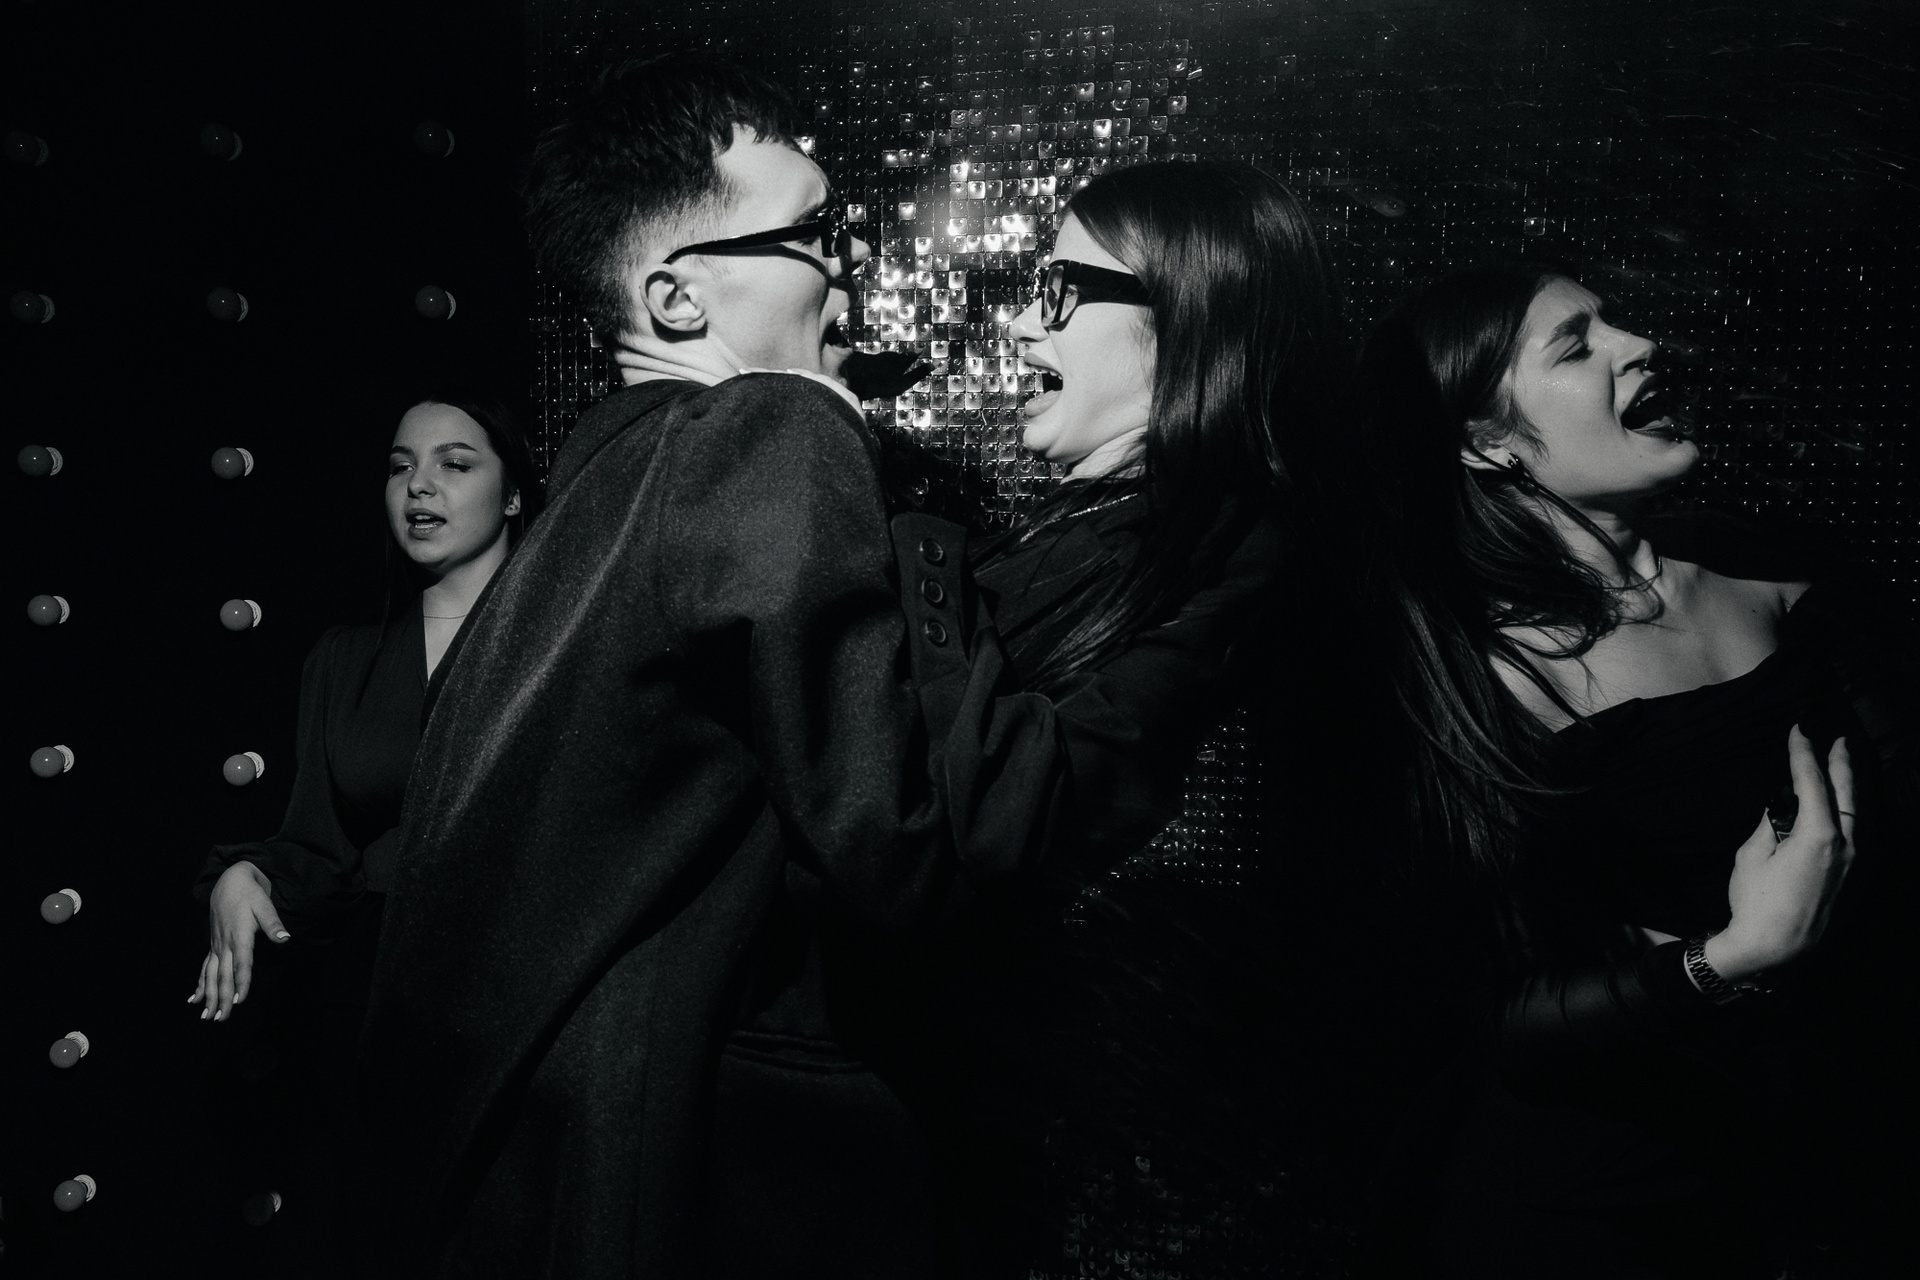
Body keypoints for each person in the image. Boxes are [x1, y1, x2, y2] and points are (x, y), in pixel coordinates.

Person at [357, 55, 1068, 1280]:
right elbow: (905, 849)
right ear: (680, 299)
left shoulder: (597, 484)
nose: (850, 264)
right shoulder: (771, 425)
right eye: (816, 236)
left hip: (522, 1178)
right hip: (698, 1172)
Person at [1353, 261, 1916, 1277]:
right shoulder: (1484, 682)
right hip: (1599, 1211)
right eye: (1578, 347)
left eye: (1614, 321)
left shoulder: (1767, 565)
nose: (1640, 344)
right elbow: (1500, 1014)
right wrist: (1734, 955)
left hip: (1814, 1174)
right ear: (1486, 442)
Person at [188, 389, 538, 1267]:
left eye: (455, 464)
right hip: (375, 1004)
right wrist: (244, 875)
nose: (420, 486)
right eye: (399, 467)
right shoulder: (345, 660)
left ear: (512, 495)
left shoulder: (566, 646)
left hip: (528, 989)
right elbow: (322, 848)